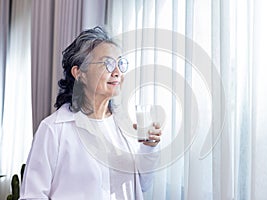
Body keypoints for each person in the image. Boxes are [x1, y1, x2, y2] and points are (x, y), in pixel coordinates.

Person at [20, 26, 162, 200]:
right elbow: (32, 196)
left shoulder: (125, 125)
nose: (117, 72)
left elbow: (143, 185)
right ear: (79, 73)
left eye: (120, 63)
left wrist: (148, 148)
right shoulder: (53, 129)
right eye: (108, 64)